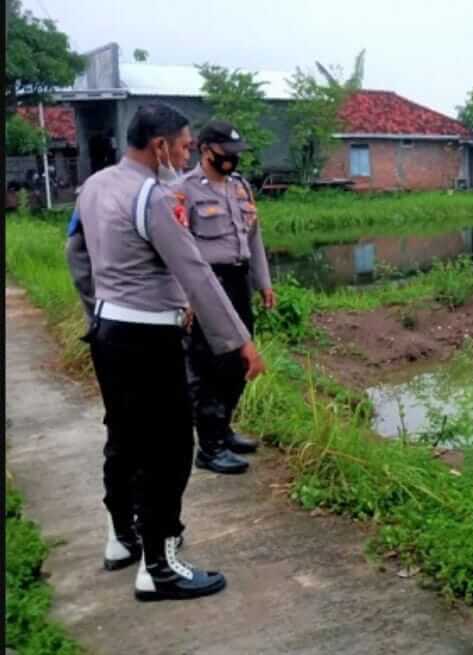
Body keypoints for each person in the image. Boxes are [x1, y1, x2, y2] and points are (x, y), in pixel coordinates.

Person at [68, 102, 266, 602]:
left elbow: (76, 253)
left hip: (109, 331)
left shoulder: (95, 186)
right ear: (158, 146)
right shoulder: (153, 197)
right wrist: (240, 340)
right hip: (149, 339)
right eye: (180, 146)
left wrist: (100, 306)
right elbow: (195, 270)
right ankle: (160, 565)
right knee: (170, 448)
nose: (184, 154)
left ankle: (122, 537)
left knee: (124, 435)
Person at [180, 120, 276, 475]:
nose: (233, 161)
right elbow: (177, 249)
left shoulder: (240, 188)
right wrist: (184, 297)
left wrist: (263, 282)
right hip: (206, 286)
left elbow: (253, 239)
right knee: (209, 367)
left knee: (239, 362)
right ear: (206, 151)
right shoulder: (183, 190)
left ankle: (223, 429)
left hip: (237, 282)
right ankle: (209, 448)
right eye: (226, 154)